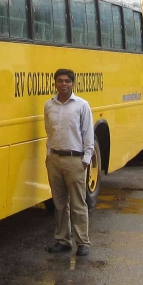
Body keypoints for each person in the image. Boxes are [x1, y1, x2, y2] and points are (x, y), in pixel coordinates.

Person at [43, 68, 94, 256]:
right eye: (60, 81)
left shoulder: (82, 105)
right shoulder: (49, 105)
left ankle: (83, 242)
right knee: (59, 204)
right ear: (55, 83)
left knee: (78, 203)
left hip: (75, 160)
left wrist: (86, 160)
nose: (63, 84)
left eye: (67, 81)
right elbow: (48, 131)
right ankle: (62, 240)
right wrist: (49, 155)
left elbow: (88, 134)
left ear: (73, 84)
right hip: (55, 160)